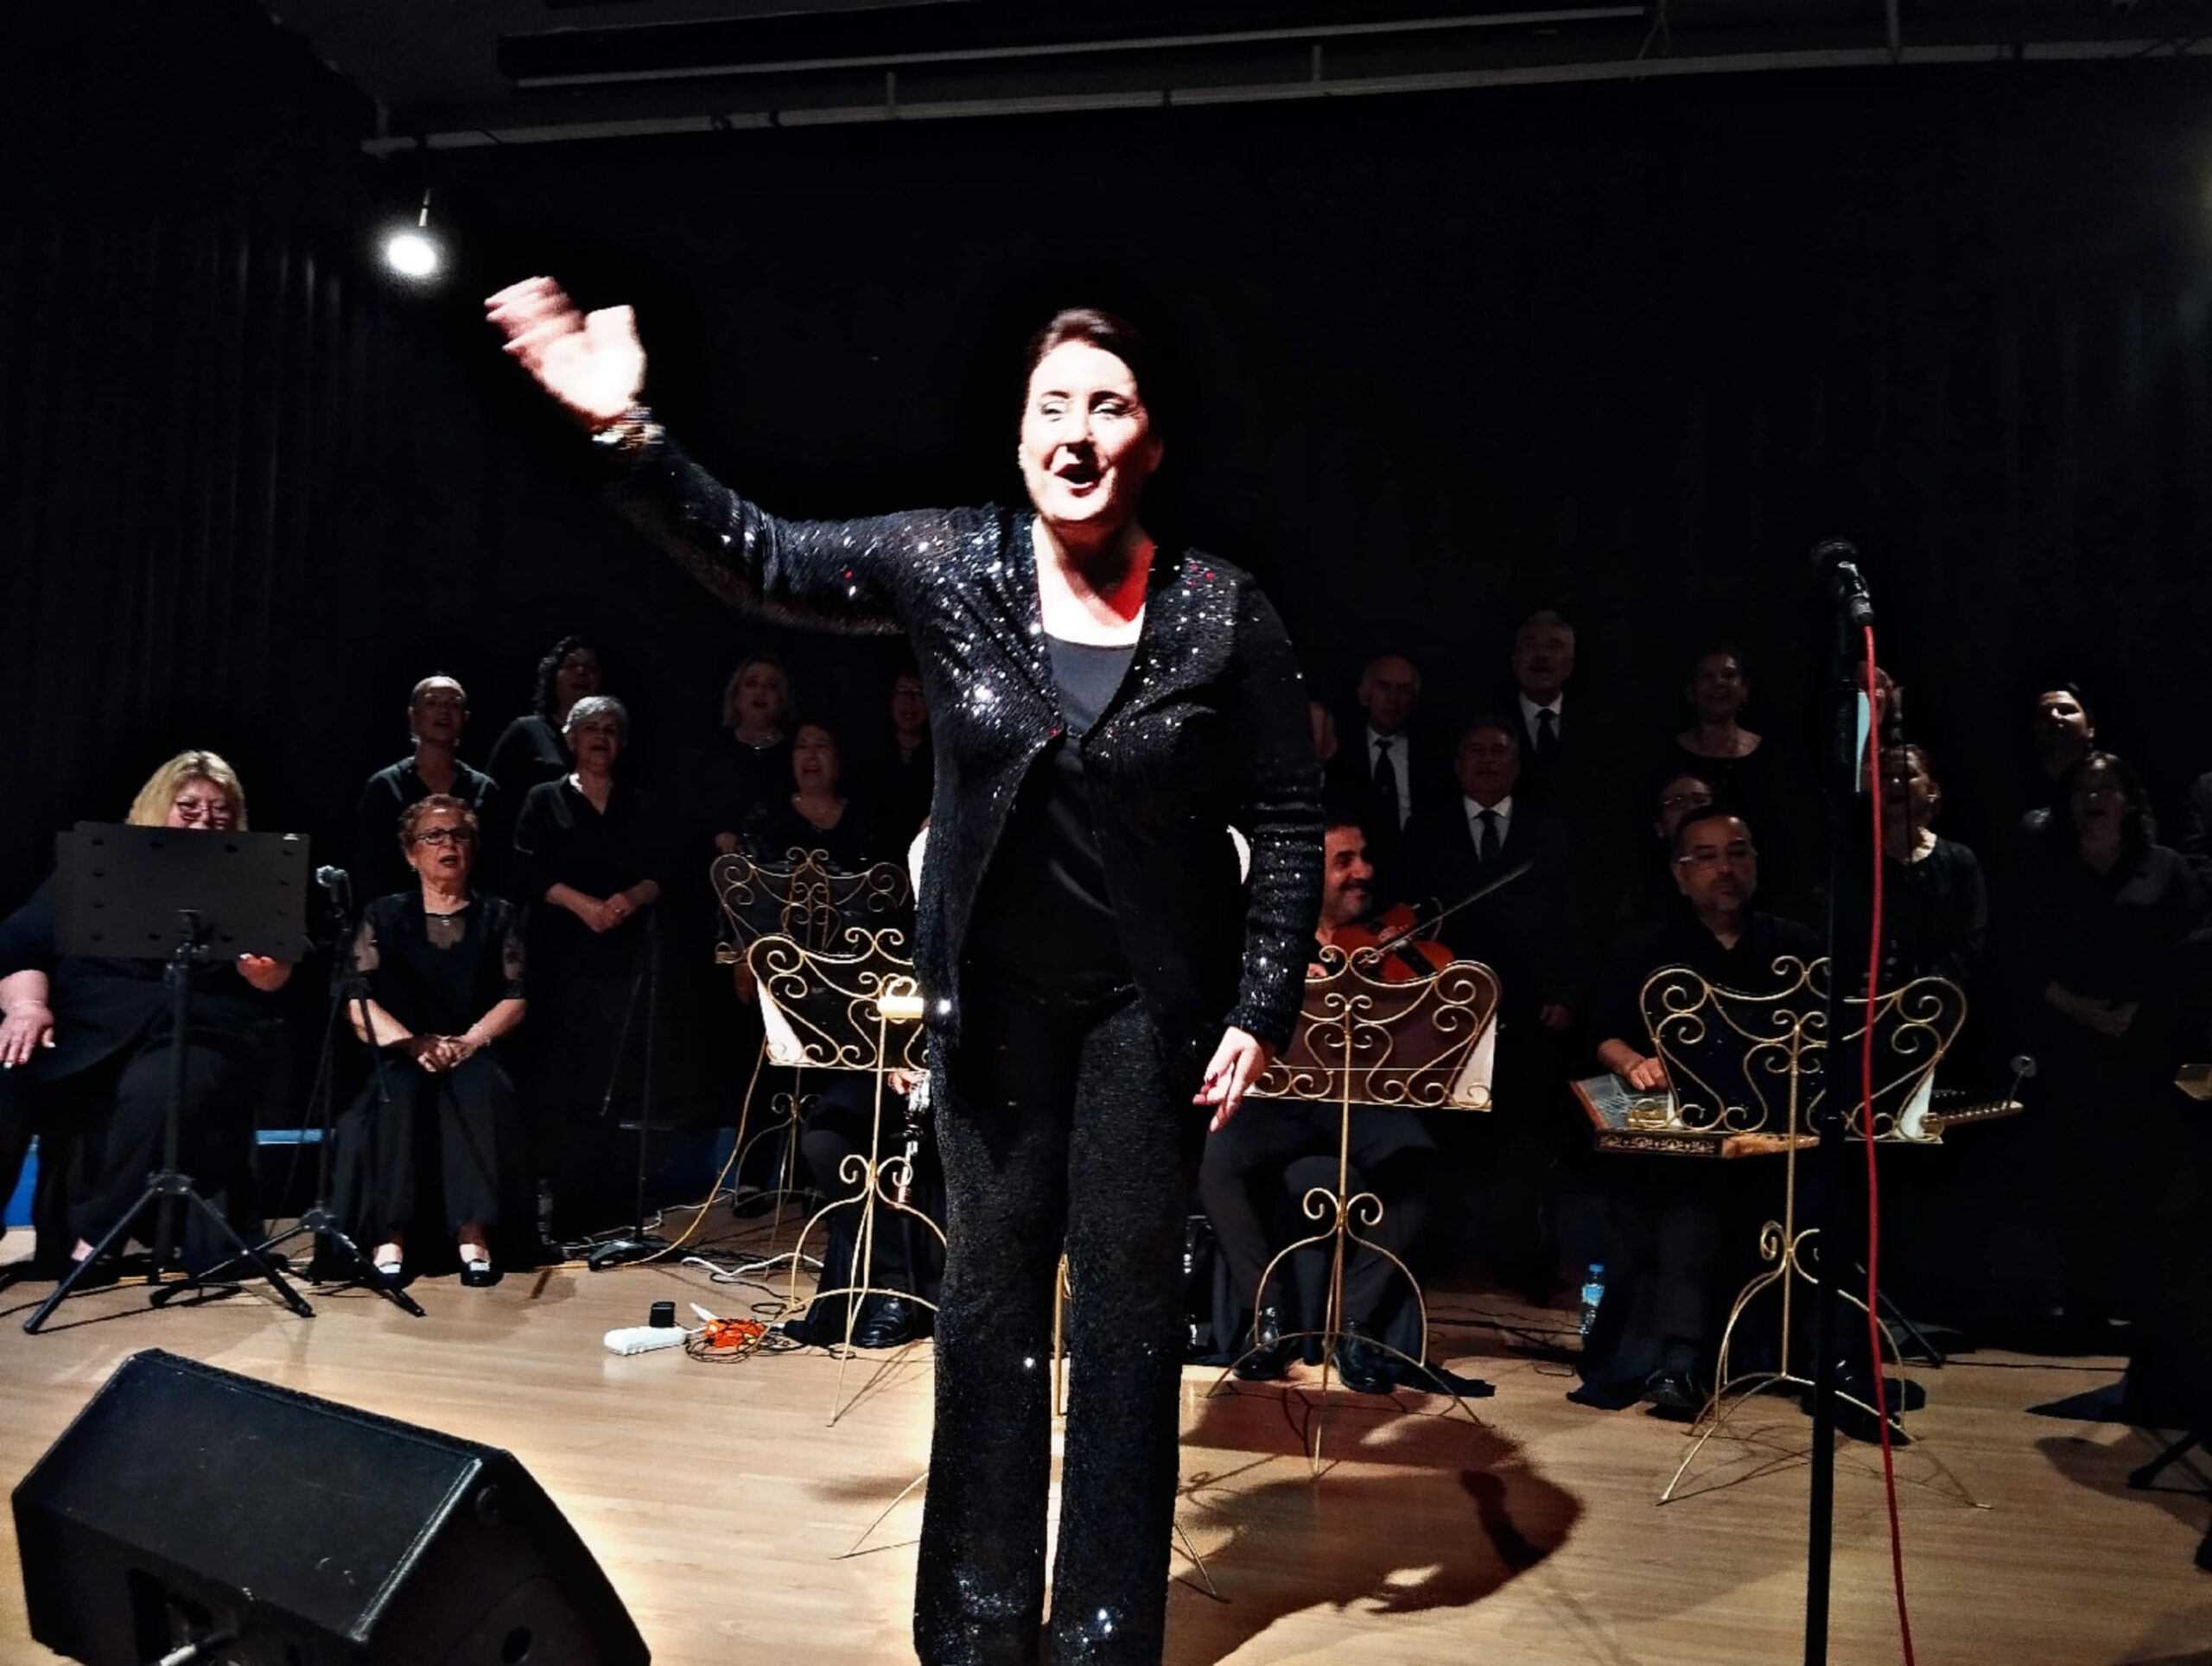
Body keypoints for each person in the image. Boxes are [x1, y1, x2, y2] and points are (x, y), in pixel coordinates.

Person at [487, 278, 1320, 1665]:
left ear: (1152, 441)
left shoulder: (1221, 611)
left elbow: (1288, 818)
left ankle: (1104, 1630)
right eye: (1052, 406)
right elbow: (763, 558)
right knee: (988, 1310)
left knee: (1126, 1322)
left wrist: (1262, 1002)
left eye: (1108, 407)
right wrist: (627, 433)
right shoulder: (952, 562)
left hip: (1147, 1013)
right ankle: (978, 1626)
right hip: (995, 1011)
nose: (1076, 433)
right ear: (1019, 433)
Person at [0, 751, 292, 1272]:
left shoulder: (251, 878)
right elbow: (21, 943)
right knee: (7, 1070)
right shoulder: (99, 866)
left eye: (220, 811)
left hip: (198, 1027)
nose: (204, 821)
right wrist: (27, 1006)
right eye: (189, 808)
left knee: (159, 1089)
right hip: (89, 1025)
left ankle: (96, 1238)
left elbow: (278, 973)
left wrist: (262, 970)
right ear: (158, 807)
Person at [1576, 806, 1820, 1415]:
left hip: (1779, 1135)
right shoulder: (1647, 944)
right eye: (1705, 857)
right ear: (1679, 874)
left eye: (1737, 853)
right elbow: (1602, 1030)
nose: (1725, 869)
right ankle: (1678, 1359)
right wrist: (1634, 1062)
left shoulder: (1797, 946)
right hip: (1682, 1137)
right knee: (1692, 1198)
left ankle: (1822, 1355)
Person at [1198, 817, 1441, 1396]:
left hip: (1363, 1104)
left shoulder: (1387, 947)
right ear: (1308, 873)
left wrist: (1387, 988)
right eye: (1344, 862)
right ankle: (1268, 1318)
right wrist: (1281, 988)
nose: (1363, 873)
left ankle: (1355, 1324)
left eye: (1364, 858)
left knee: (1420, 1164)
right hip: (1279, 1104)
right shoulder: (1266, 941)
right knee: (1216, 1159)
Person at [2005, 749, 2203, 1326]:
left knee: (2144, 1173)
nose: (2093, 799)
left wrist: (2143, 1009)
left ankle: (2141, 1299)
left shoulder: (2165, 867)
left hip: (2146, 1045)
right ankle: (2080, 1299)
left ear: (2130, 801)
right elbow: (2016, 949)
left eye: (2105, 788)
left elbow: (2192, 947)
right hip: (2066, 1041)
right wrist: (2076, 1007)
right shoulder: (2046, 869)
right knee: (2074, 1172)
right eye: (2082, 790)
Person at [334, 795, 526, 1287]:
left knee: (477, 1089)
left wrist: (470, 1041)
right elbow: (357, 1001)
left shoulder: (499, 915)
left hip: (471, 1048)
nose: (448, 844)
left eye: (459, 835)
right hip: (402, 1051)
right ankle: (390, 1236)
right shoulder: (383, 915)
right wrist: (411, 1044)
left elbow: (516, 996)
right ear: (410, 853)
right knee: (396, 1093)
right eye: (433, 836)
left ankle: (473, 1234)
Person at [512, 694, 664, 1239]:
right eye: (590, 728)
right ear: (571, 738)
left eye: (610, 729)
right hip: (560, 955)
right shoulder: (543, 799)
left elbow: (661, 872)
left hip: (622, 956)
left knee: (613, 1076)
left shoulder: (638, 802)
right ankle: (560, 1202)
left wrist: (629, 898)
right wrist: (584, 905)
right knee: (561, 1078)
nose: (601, 737)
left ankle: (607, 1199)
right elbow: (526, 872)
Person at [353, 675, 499, 902]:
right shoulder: (384, 786)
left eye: (454, 705)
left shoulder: (484, 789)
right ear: (413, 714)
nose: (443, 711)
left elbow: (496, 865)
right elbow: (369, 866)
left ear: (465, 717)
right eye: (432, 703)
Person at [1324, 652, 1440, 883]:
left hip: (1420, 868)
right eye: (1384, 687)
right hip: (1356, 869)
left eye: (1403, 689)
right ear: (1364, 694)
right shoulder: (1340, 750)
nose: (1393, 698)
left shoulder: (1434, 753)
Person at [485, 635, 605, 848]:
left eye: (590, 667)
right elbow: (493, 802)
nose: (581, 672)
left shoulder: (608, 738)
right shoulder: (526, 731)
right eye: (571, 665)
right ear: (553, 677)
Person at [702, 652, 798, 857]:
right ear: (736, 697)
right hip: (718, 862)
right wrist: (718, 836)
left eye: (771, 686)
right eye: (752, 684)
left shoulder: (796, 752)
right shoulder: (713, 750)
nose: (761, 691)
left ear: (782, 699)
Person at [751, 720, 876, 872]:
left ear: (839, 757)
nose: (811, 755)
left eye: (822, 746)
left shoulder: (863, 821)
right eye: (802, 747)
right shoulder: (767, 815)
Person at [868, 665, 936, 851]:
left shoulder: (941, 758)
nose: (909, 699)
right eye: (902, 690)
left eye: (919, 692)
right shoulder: (871, 752)